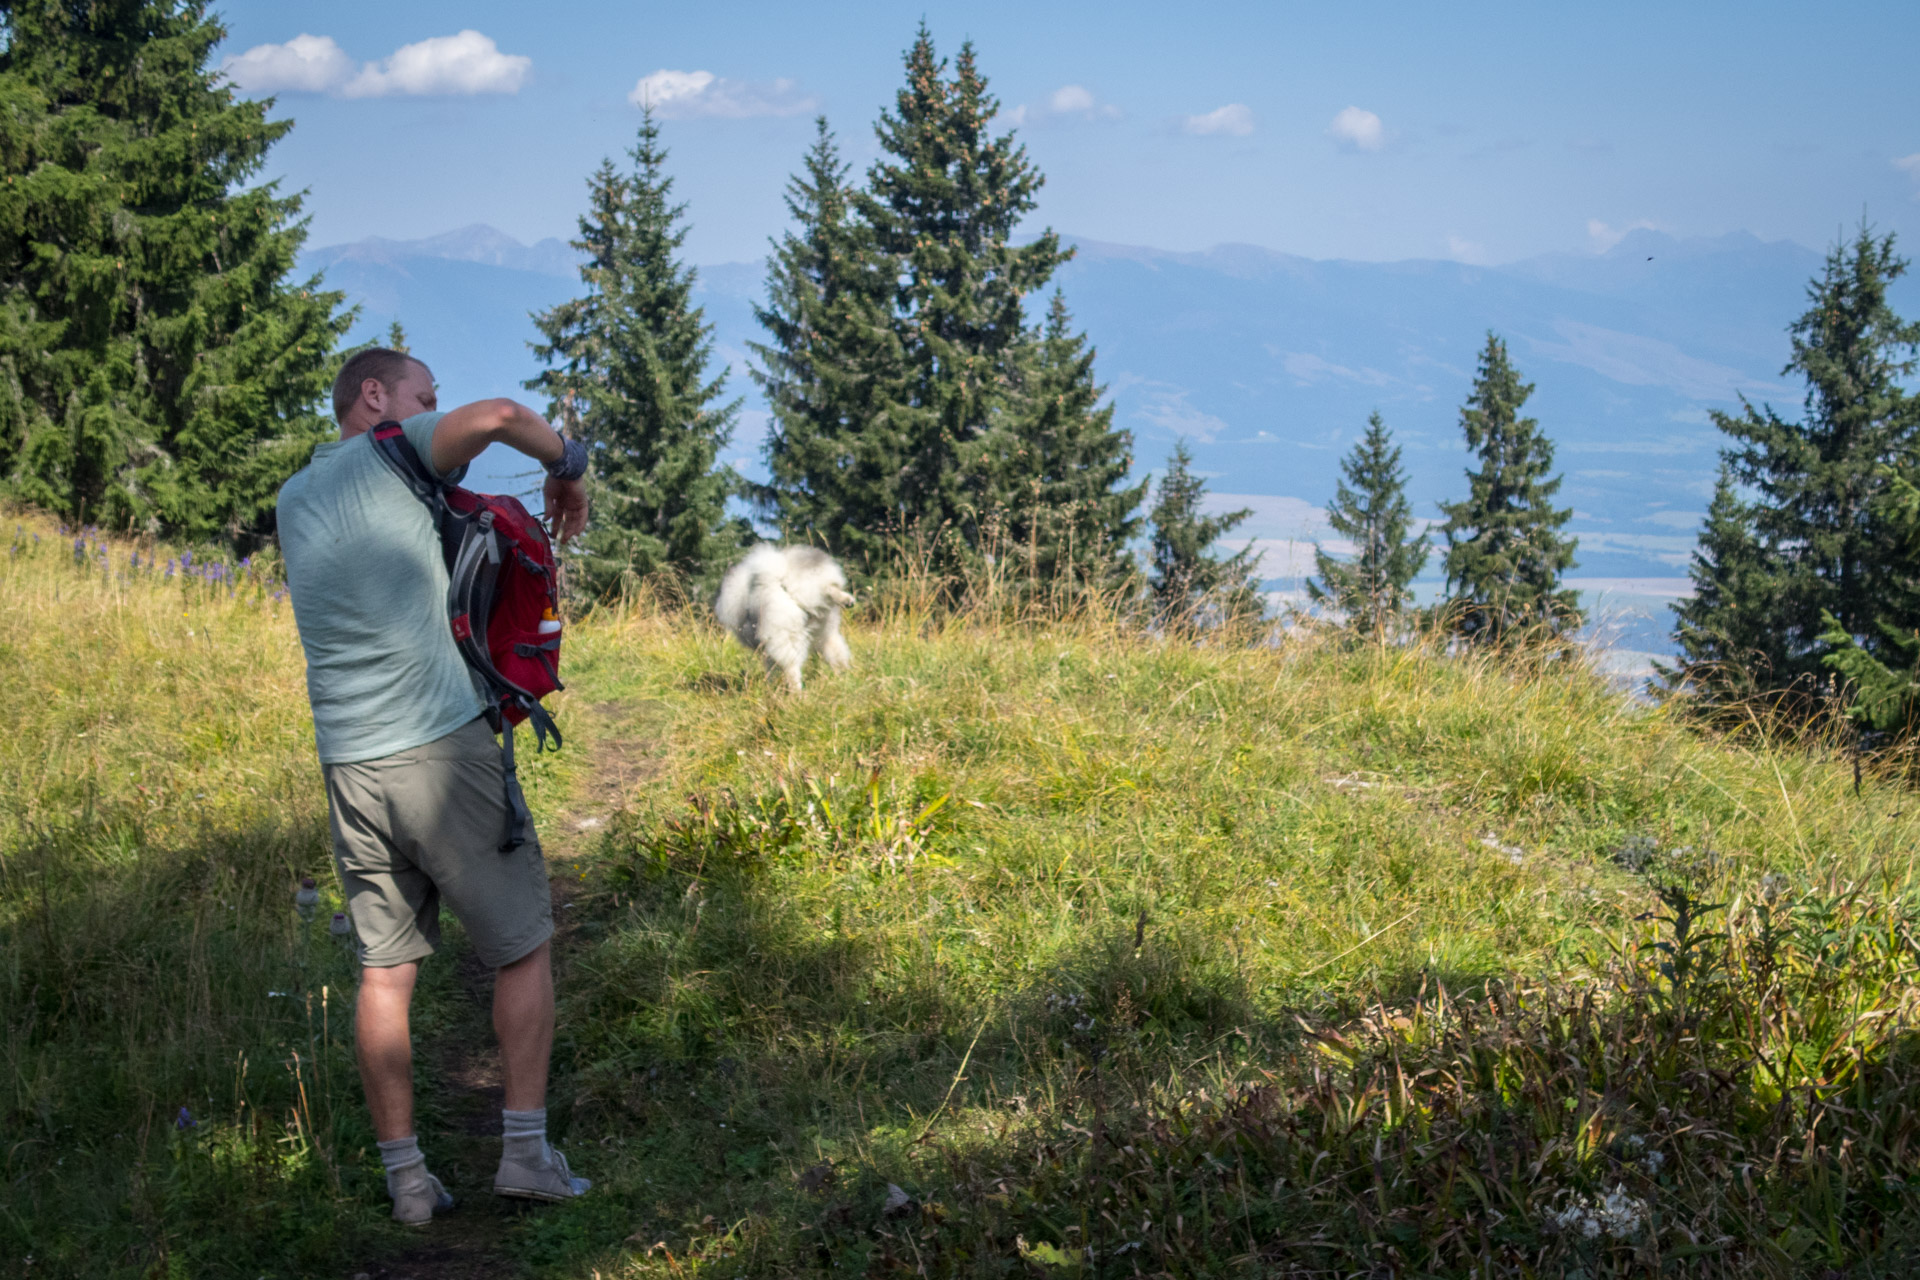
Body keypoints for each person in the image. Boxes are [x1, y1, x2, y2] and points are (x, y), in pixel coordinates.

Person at [276, 347, 591, 1225]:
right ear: (373, 397)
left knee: (385, 971)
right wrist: (568, 467)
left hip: (348, 763)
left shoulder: (295, 496)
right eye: (422, 396)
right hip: (439, 752)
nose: (432, 409)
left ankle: (407, 1181)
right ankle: (525, 1154)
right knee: (522, 944)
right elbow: (497, 417)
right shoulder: (394, 450)